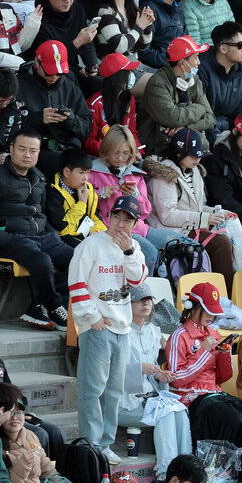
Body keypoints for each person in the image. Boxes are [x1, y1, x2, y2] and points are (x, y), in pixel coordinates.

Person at [0, 131, 74, 332]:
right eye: (22, 149)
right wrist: (3, 239)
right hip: (11, 238)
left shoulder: (39, 178)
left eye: (33, 151)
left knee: (79, 258)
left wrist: (51, 233)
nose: (27, 155)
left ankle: (39, 304)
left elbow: (41, 213)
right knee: (42, 261)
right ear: (11, 150)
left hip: (41, 237)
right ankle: (54, 305)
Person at [70, 193, 147, 459]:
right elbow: (77, 285)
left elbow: (138, 282)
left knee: (114, 390)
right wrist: (93, 319)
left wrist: (128, 253)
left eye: (128, 219)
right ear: (109, 216)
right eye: (117, 216)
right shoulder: (91, 245)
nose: (121, 223)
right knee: (93, 388)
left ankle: (104, 445)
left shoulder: (133, 248)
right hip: (98, 327)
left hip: (122, 328)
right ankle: (91, 443)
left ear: (135, 223)